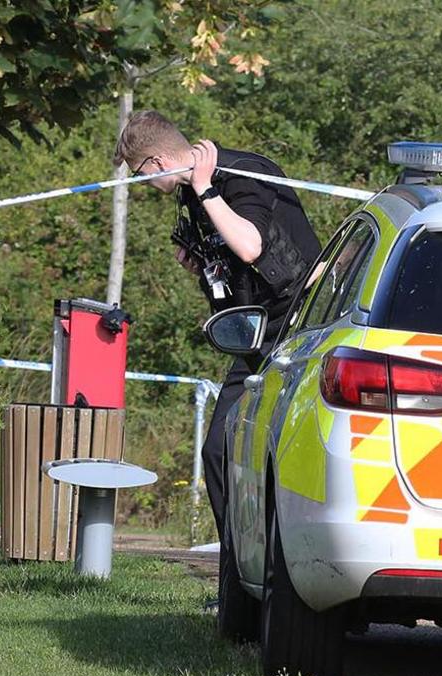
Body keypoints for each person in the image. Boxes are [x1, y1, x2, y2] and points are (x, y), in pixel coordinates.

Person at [113, 110, 321, 536]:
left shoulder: (241, 175)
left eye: (140, 174)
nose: (144, 186)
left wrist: (208, 190)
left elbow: (250, 246)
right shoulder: (192, 192)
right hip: (254, 331)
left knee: (282, 452)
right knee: (219, 451)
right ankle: (238, 578)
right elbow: (235, 264)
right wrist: (203, 263)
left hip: (298, 325)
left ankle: (279, 564)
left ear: (157, 163)